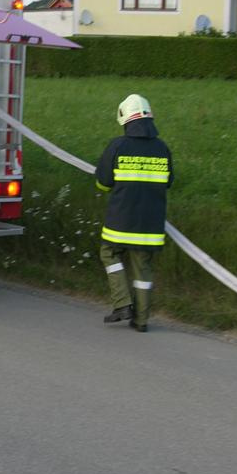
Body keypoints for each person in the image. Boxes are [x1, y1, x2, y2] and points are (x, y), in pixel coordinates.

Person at [94, 93, 173, 332]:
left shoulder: (118, 146)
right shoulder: (162, 148)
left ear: (126, 120)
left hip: (121, 220)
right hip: (150, 225)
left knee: (109, 253)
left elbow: (103, 183)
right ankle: (141, 320)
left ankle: (122, 304)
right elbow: (168, 182)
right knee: (143, 269)